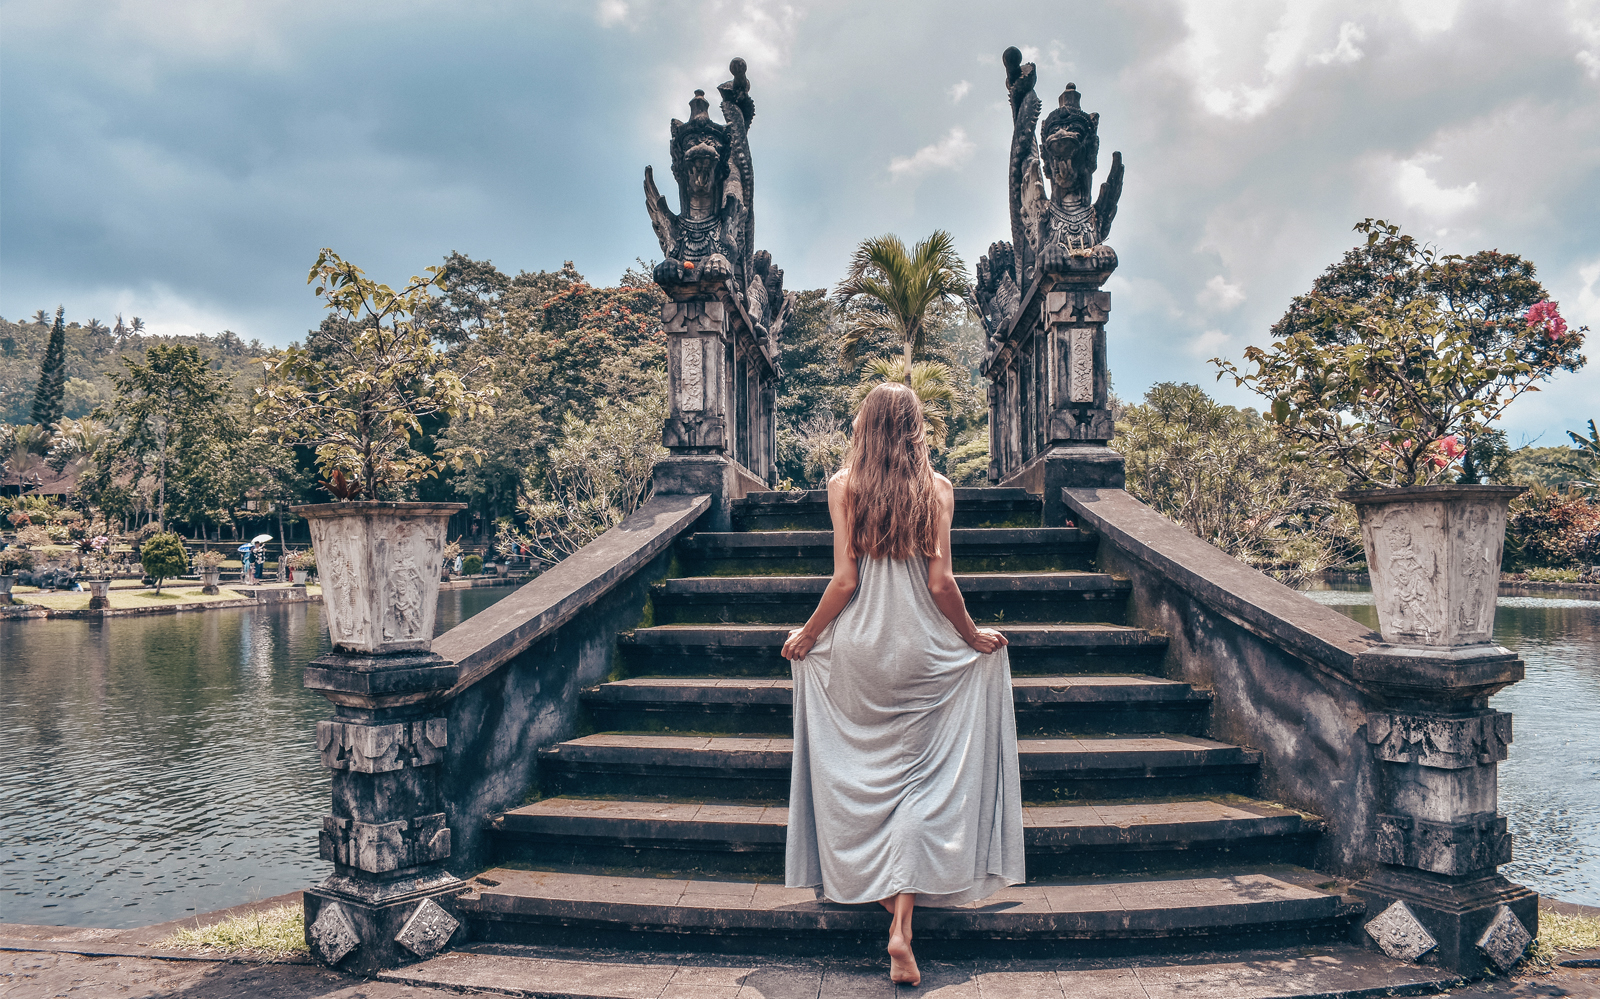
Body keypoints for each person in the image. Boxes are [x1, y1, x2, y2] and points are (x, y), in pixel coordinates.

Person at [782, 383, 1024, 986]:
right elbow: (942, 585)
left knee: (862, 776)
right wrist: (972, 640)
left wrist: (808, 636)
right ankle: (901, 931)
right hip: (922, 652)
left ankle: (884, 900)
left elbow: (842, 581)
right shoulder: (938, 490)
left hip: (861, 649)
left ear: (865, 425)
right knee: (919, 785)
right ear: (916, 428)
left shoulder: (844, 487)